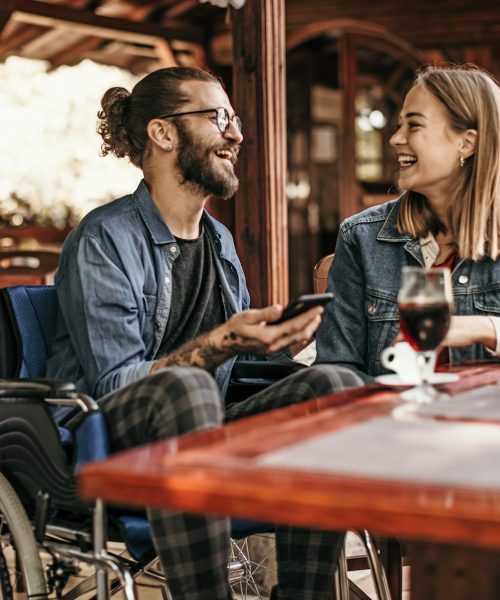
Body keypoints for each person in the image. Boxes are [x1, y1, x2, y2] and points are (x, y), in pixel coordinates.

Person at [46, 67, 363, 600]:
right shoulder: (103, 239)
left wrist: (280, 345)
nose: (235, 134)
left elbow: (232, 374)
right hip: (109, 438)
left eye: (234, 119)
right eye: (218, 118)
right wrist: (223, 343)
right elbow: (113, 385)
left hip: (202, 429)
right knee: (187, 387)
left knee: (331, 386)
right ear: (164, 133)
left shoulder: (218, 241)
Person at [315, 65, 500, 382]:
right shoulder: (361, 237)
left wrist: (481, 328)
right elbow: (336, 372)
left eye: (414, 125)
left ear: (466, 143)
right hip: (393, 424)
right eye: (400, 124)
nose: (395, 138)